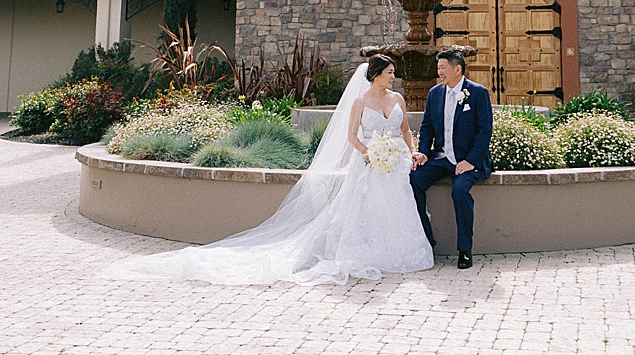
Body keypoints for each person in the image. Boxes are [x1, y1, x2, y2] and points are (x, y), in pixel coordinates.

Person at [100, 55, 433, 285]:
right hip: (369, 165)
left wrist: (413, 151)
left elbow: (404, 131)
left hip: (394, 166)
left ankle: (400, 253)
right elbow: (350, 137)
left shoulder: (399, 99)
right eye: (389, 72)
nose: (394, 77)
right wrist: (368, 153)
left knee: (396, 209)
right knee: (364, 211)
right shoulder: (360, 102)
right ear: (375, 75)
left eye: (394, 73)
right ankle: (365, 253)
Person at [409, 50, 493, 269]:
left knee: (460, 191)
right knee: (414, 180)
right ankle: (428, 238)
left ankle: (465, 249)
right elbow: (427, 127)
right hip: (441, 157)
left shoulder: (478, 93)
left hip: (468, 160)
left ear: (457, 69)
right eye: (438, 68)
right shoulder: (435, 93)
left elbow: (484, 131)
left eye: (442, 68)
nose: (439, 72)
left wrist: (472, 161)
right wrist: (423, 152)